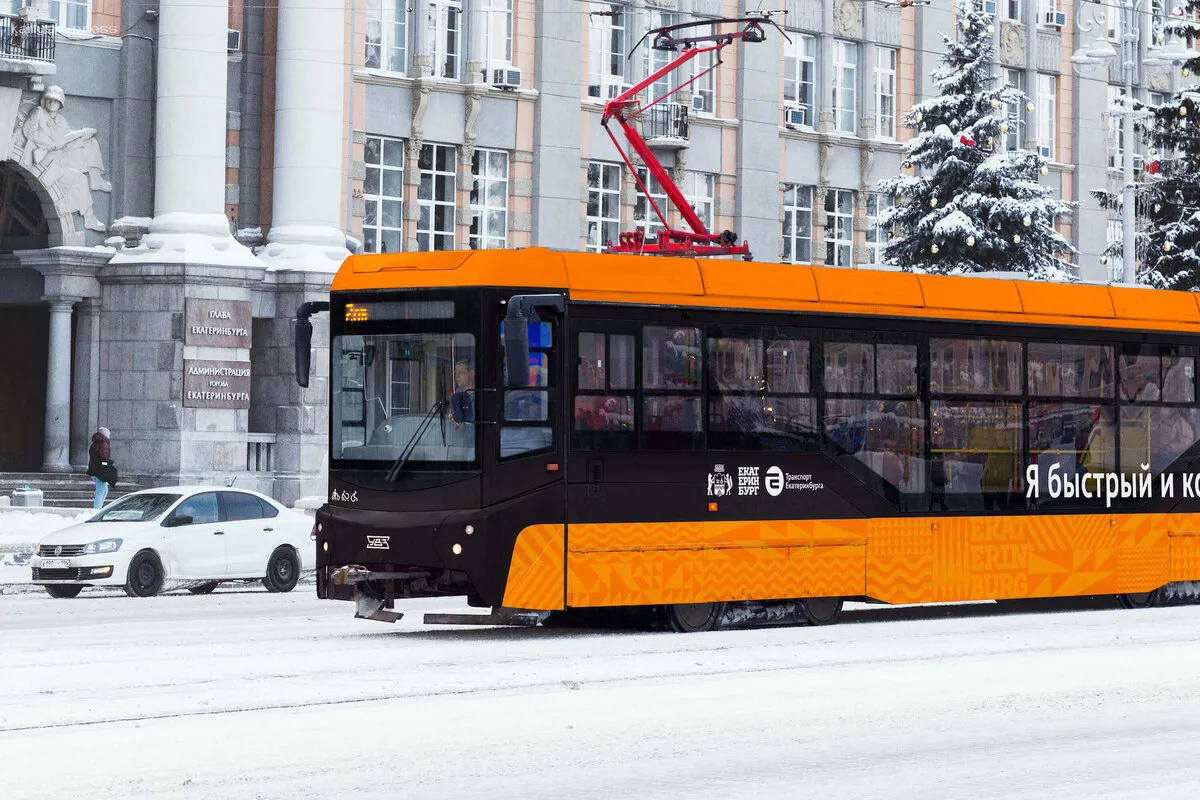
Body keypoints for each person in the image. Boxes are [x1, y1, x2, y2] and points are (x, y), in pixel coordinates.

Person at [86, 427, 116, 509]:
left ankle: (98, 509)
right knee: (101, 491)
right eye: (109, 435)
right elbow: (103, 458)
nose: (109, 437)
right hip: (99, 471)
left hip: (95, 470)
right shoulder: (103, 443)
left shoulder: (96, 443)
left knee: (104, 490)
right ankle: (96, 510)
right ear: (105, 435)